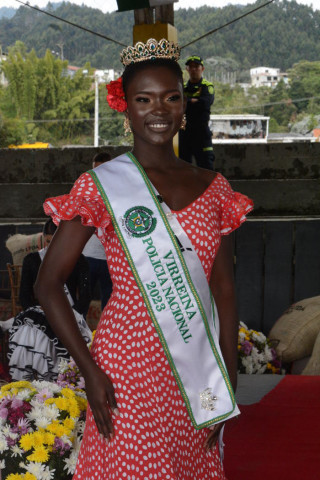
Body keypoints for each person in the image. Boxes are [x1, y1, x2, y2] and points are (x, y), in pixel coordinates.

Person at [35, 38, 253, 479]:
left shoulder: (215, 189)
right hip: (125, 368)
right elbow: (47, 283)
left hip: (197, 367)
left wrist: (228, 375)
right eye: (144, 99)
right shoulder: (103, 186)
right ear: (126, 107)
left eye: (171, 97)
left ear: (184, 105)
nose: (159, 110)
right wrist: (91, 371)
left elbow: (224, 289)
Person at [8, 219, 92, 381]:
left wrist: (74, 315)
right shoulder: (32, 260)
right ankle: (32, 379)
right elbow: (24, 296)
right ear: (43, 238)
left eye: (57, 241)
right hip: (38, 315)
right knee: (32, 331)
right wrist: (40, 315)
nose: (53, 246)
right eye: (48, 241)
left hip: (70, 314)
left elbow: (85, 296)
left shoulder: (79, 260)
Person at [82, 152, 113, 312]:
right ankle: (80, 334)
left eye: (102, 170)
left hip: (111, 258)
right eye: (94, 170)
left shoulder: (119, 191)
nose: (97, 175)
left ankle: (109, 335)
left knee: (110, 303)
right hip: (89, 257)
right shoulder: (86, 191)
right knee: (82, 300)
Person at [179, 55, 215, 170]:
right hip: (185, 132)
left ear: (202, 69)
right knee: (184, 168)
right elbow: (178, 104)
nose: (194, 69)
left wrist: (187, 102)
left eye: (196, 67)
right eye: (191, 67)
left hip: (202, 132)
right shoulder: (182, 87)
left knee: (206, 167)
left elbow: (205, 103)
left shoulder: (207, 86)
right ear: (187, 69)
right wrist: (194, 101)